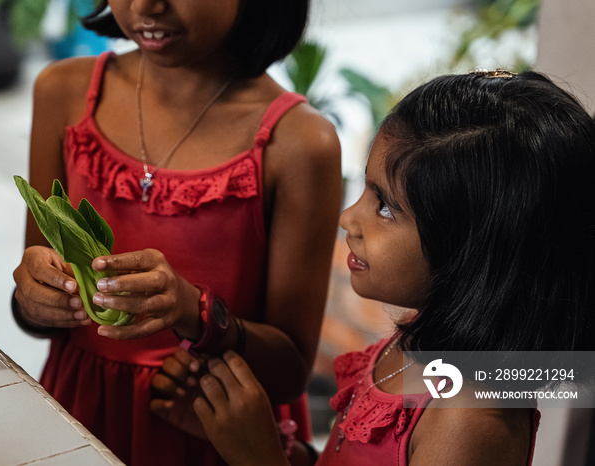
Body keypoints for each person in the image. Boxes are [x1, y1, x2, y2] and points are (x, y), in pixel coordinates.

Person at [155, 69, 595, 465]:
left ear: (478, 254)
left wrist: (259, 459)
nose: (348, 218)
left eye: (385, 207)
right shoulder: (418, 338)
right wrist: (260, 440)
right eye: (366, 189)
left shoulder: (469, 423)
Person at [11, 0, 341, 464]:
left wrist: (196, 313)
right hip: (77, 408)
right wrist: (34, 297)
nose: (147, 5)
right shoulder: (63, 91)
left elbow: (288, 370)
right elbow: (37, 302)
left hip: (209, 428)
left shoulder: (300, 143)